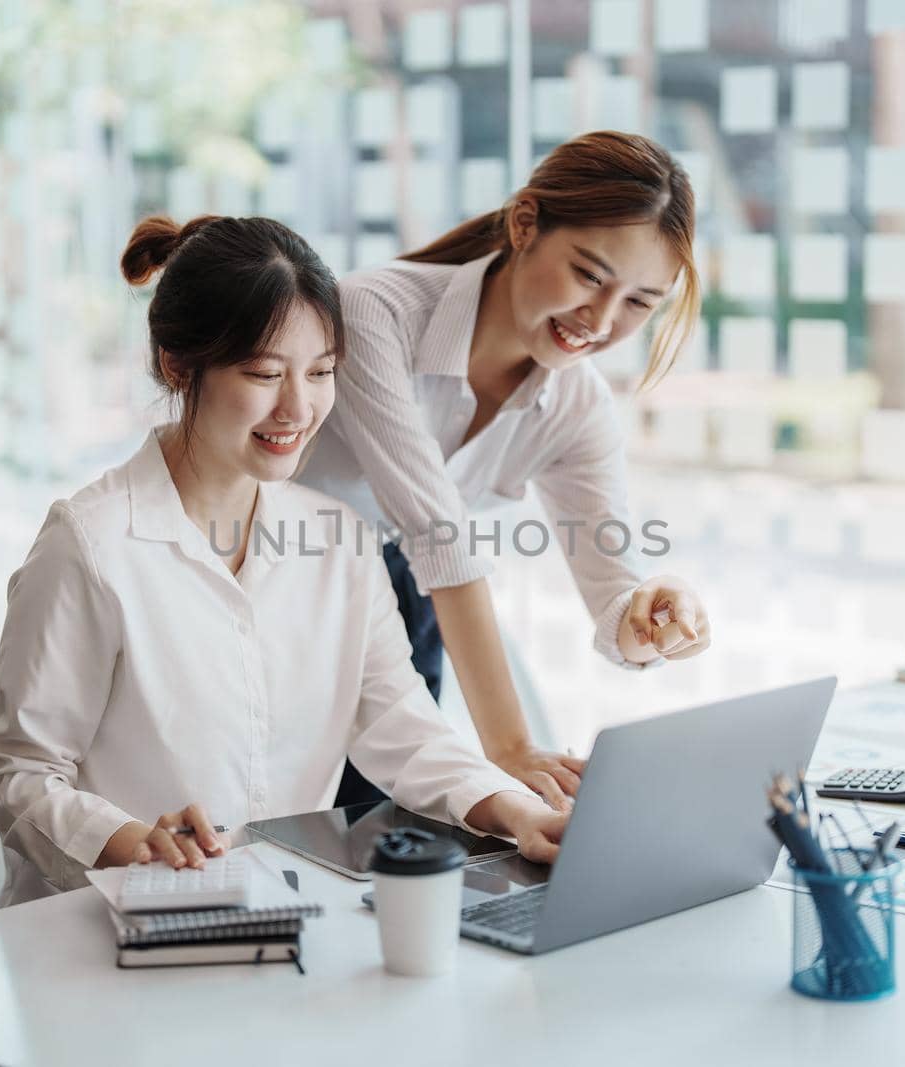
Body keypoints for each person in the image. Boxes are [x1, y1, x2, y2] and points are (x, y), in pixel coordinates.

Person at [0, 214, 565, 908]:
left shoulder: (339, 540)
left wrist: (519, 811)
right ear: (177, 364)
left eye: (321, 373)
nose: (299, 407)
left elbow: (400, 728)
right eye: (264, 373)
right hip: (99, 929)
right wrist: (129, 840)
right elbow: (18, 773)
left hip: (278, 915)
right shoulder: (90, 544)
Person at [298, 131, 711, 812]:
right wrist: (510, 747)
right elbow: (438, 533)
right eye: (588, 275)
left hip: (402, 615)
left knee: (374, 850)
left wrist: (654, 612)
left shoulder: (577, 405)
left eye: (640, 302)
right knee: (270, 836)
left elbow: (614, 600)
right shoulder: (375, 313)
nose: (602, 321)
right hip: (279, 598)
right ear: (525, 225)